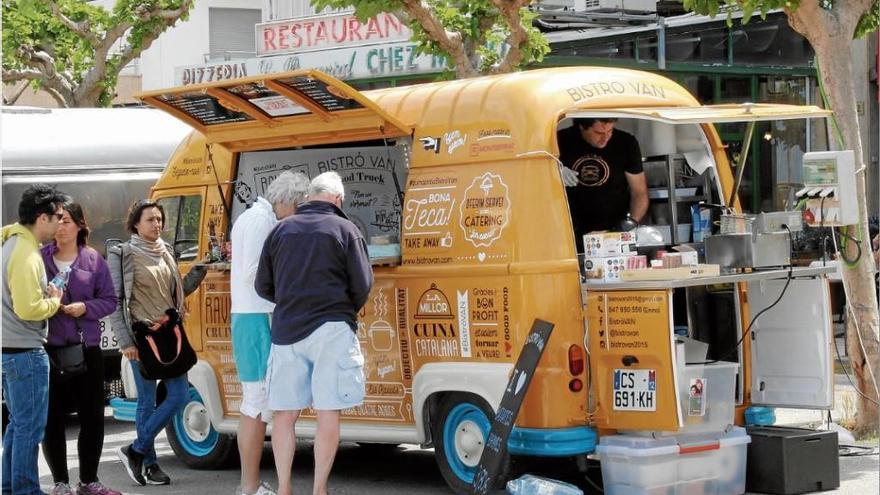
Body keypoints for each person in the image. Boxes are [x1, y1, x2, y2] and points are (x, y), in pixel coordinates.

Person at [256, 171, 373, 495]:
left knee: (284, 414)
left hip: (287, 331)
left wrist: (291, 301)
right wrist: (343, 310)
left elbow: (262, 285)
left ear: (309, 196)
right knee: (327, 412)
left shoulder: (280, 230)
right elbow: (362, 285)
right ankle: (319, 489)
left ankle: (283, 488)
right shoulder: (346, 229)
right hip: (331, 330)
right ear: (337, 199)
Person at [108, 199, 207, 487]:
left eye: (159, 219)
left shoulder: (165, 251)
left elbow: (175, 293)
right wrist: (125, 341)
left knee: (178, 395)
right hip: (141, 337)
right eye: (150, 219)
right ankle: (149, 465)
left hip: (170, 334)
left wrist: (198, 272)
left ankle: (135, 450)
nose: (157, 224)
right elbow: (115, 301)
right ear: (135, 224)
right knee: (146, 402)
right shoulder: (123, 253)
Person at [231, 171, 309, 495]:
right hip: (256, 319)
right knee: (256, 403)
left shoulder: (252, 217)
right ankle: (249, 486)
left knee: (258, 403)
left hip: (249, 318)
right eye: (299, 208)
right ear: (286, 202)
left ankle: (250, 485)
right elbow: (254, 273)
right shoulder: (262, 222)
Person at [41, 202, 120, 495]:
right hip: (50, 349)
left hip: (88, 349)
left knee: (92, 418)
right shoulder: (39, 259)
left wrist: (85, 307)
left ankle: (88, 480)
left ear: (79, 225)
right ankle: (60, 482)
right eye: (55, 220)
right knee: (52, 419)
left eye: (65, 220)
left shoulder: (93, 260)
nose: (59, 225)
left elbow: (110, 300)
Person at [2, 183, 67, 495]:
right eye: (57, 217)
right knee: (29, 428)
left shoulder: (10, 244)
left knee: (18, 425)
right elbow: (29, 308)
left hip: (10, 349)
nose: (60, 223)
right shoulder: (26, 254)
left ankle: (11, 487)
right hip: (26, 352)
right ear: (42, 218)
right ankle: (26, 490)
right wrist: (54, 300)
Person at [558, 117, 649, 252]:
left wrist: (630, 223)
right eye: (599, 133)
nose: (606, 138)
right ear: (582, 127)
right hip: (568, 230)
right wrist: (554, 171)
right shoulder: (560, 140)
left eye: (610, 130)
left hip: (613, 232)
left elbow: (639, 192)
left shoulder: (625, 143)